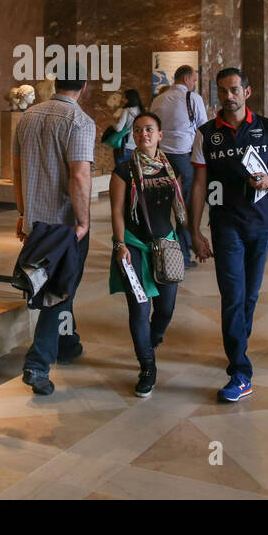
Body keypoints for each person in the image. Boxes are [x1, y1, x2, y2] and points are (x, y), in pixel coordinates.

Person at [189, 68, 268, 402]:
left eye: (234, 90)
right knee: (233, 295)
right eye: (222, 91)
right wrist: (195, 230)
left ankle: (237, 344)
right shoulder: (206, 133)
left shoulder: (266, 127)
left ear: (248, 91)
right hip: (225, 224)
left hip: (261, 223)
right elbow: (199, 185)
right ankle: (240, 371)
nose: (228, 97)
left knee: (250, 296)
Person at [12, 77, 95, 396]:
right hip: (65, 225)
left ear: (56, 84)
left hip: (36, 223)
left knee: (60, 284)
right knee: (59, 291)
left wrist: (22, 213)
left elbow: (16, 168)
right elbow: (79, 175)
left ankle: (67, 342)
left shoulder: (28, 116)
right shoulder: (80, 121)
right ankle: (37, 364)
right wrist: (84, 222)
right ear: (83, 87)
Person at [108, 111, 185, 397]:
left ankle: (152, 341)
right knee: (140, 309)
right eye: (138, 130)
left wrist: (190, 239)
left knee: (165, 309)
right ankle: (147, 367)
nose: (144, 135)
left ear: (160, 135)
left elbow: (179, 209)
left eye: (150, 129)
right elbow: (117, 210)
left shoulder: (172, 167)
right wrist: (120, 245)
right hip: (134, 245)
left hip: (166, 245)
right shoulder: (123, 170)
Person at [150, 64, 209, 268]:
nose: (194, 83)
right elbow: (203, 128)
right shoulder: (193, 99)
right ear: (185, 79)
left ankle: (160, 255)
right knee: (185, 207)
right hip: (184, 157)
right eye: (193, 79)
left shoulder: (158, 99)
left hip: (161, 158)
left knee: (161, 207)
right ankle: (183, 255)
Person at [109, 88, 144, 167]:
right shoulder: (142, 111)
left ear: (130, 99)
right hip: (137, 146)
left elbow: (119, 128)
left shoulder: (127, 110)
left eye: (124, 97)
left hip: (125, 146)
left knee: (121, 172)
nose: (122, 99)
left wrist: (113, 124)